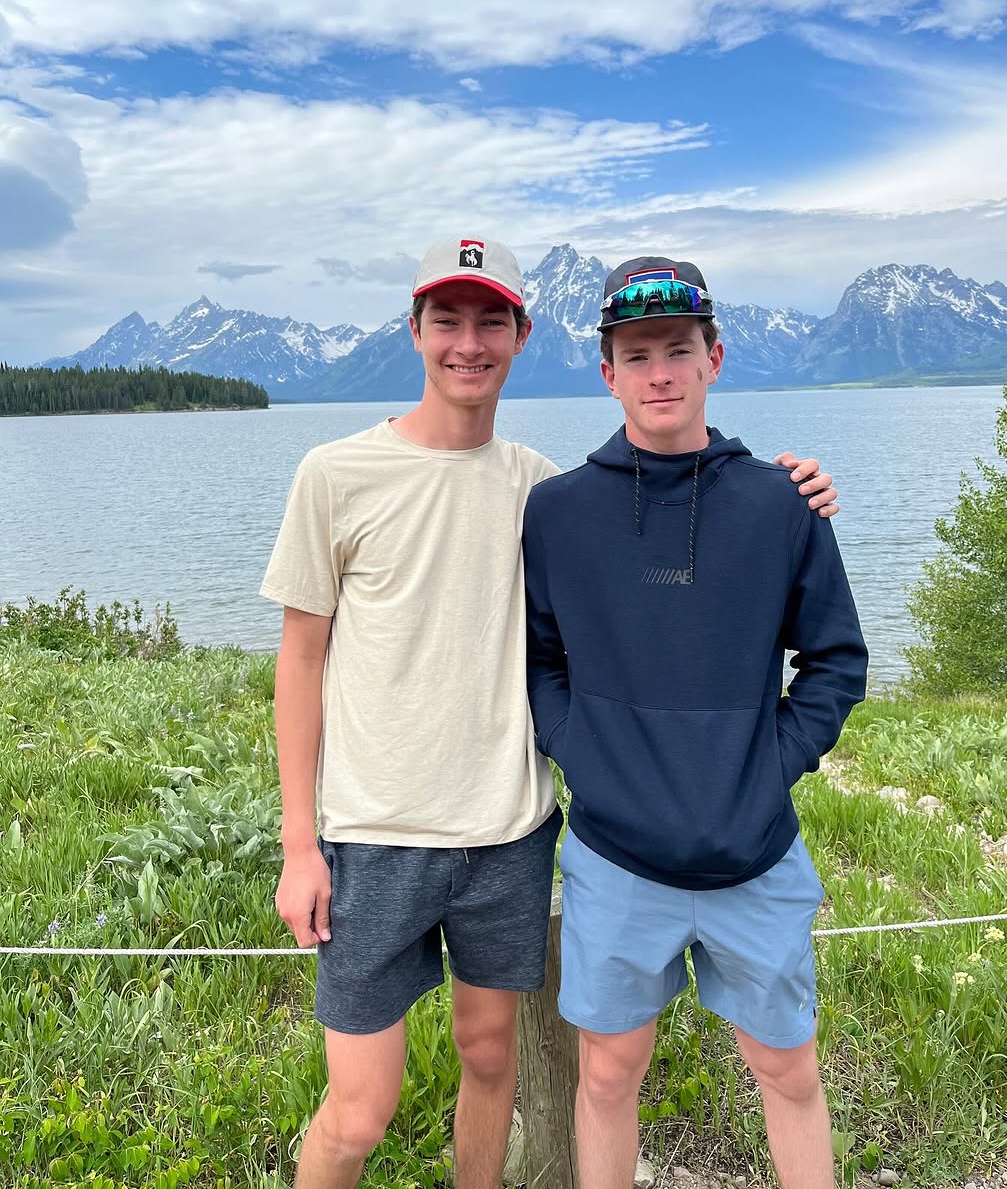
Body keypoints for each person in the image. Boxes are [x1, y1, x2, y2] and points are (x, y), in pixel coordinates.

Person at [260, 237, 843, 1189]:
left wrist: (794, 495)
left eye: (490, 320)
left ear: (522, 335)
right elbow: (308, 659)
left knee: (496, 1060)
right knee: (363, 1110)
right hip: (381, 833)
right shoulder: (367, 477)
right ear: (414, 330)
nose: (468, 342)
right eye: (447, 320)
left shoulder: (542, 487)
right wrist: (299, 841)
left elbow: (810, 644)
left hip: (514, 833)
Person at [523, 257, 868, 1189]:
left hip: (755, 853)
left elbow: (836, 661)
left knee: (788, 1071)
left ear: (714, 358)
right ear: (608, 373)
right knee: (606, 1076)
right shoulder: (557, 513)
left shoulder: (782, 503)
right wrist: (582, 753)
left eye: (679, 350)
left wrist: (769, 765)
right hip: (615, 857)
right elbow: (541, 660)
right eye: (637, 356)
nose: (660, 373)